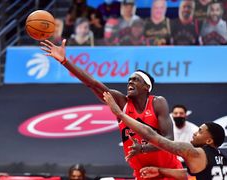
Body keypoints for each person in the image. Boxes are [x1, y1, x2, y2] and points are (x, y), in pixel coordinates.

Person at [40, 39, 183, 180]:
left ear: (146, 87)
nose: (130, 82)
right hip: (143, 173)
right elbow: (92, 83)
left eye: (135, 79)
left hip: (168, 170)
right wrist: (64, 61)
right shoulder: (121, 102)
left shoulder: (157, 102)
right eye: (129, 80)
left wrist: (143, 148)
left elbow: (169, 139)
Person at [103, 92, 227, 180]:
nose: (195, 133)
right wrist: (160, 171)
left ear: (208, 140)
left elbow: (154, 136)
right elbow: (189, 175)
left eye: (200, 132)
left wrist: (120, 114)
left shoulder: (194, 152)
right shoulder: (224, 159)